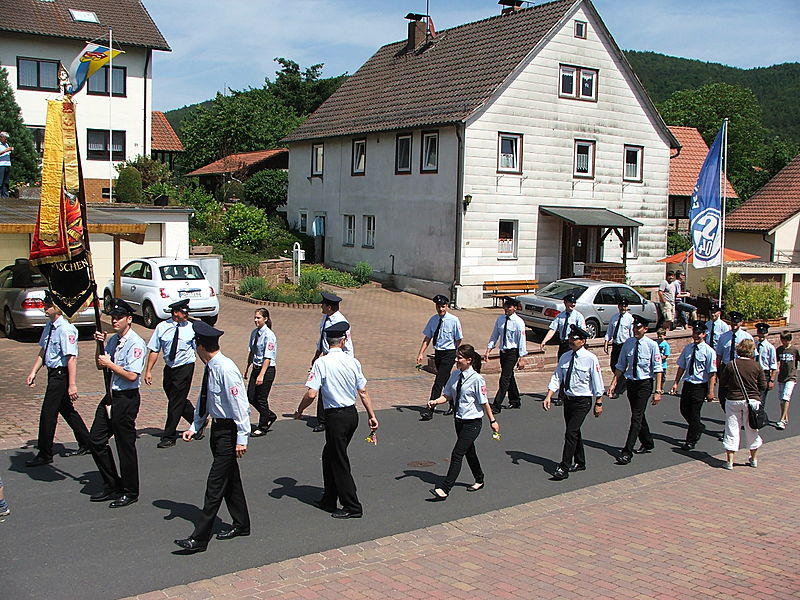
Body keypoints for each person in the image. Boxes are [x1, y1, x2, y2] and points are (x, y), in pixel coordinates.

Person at [174, 321, 252, 553]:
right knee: (231, 481)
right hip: (217, 431)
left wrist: (242, 438)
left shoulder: (226, 369)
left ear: (200, 346)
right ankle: (242, 524)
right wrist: (195, 426)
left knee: (215, 484)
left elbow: (240, 406)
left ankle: (199, 539)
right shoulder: (211, 368)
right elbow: (205, 399)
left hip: (229, 432)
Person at [295, 321, 378, 518]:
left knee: (339, 460)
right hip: (351, 415)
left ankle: (352, 505)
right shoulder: (353, 362)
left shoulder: (321, 363)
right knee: (329, 455)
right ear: (343, 341)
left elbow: (312, 394)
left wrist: (299, 409)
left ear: (327, 341)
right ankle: (329, 499)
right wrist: (372, 415)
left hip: (336, 417)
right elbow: (363, 391)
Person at [89, 299, 147, 508]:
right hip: (111, 395)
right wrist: (99, 346)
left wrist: (110, 364)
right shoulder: (113, 340)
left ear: (129, 319)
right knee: (95, 440)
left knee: (125, 446)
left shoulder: (136, 343)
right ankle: (112, 483)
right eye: (113, 317)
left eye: (119, 317)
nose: (115, 321)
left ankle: (130, 491)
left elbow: (132, 375)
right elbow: (100, 365)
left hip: (126, 398)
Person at [24, 292, 91, 467]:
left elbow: (71, 358)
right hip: (52, 373)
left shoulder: (65, 329)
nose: (44, 307)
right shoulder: (50, 326)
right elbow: (43, 350)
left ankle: (45, 453)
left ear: (58, 308)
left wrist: (72, 384)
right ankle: (87, 442)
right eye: (45, 304)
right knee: (66, 410)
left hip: (61, 375)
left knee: (48, 413)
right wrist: (33, 372)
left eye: (48, 305)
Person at [428, 344, 499, 499]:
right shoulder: (455, 375)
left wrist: (492, 421)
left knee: (457, 453)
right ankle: (479, 478)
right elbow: (448, 395)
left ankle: (445, 489)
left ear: (469, 360)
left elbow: (484, 402)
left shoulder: (477, 379)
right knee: (469, 451)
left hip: (473, 423)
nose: (456, 360)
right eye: (456, 357)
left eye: (459, 358)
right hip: (459, 420)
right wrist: (435, 402)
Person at [543, 325, 605, 480]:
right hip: (568, 400)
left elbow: (597, 381)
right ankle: (580, 461)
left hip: (582, 401)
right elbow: (557, 377)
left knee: (570, 432)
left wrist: (599, 402)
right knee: (574, 431)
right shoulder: (565, 356)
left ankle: (563, 467)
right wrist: (549, 395)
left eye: (574, 339)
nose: (571, 341)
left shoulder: (590, 359)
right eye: (570, 338)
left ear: (583, 341)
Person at [144, 299, 203, 448]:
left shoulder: (192, 327)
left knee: (175, 402)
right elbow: (155, 349)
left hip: (185, 367)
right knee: (176, 398)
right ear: (175, 313)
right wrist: (148, 370)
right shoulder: (162, 327)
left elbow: (200, 349)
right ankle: (197, 421)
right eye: (184, 312)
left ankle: (169, 436)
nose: (187, 314)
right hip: (170, 367)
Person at [607, 314, 663, 464]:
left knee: (636, 417)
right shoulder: (628, 343)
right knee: (638, 414)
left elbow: (658, 369)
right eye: (634, 327)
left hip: (645, 384)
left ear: (645, 329)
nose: (635, 330)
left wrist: (658, 391)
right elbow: (621, 365)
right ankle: (648, 441)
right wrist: (613, 384)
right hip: (631, 383)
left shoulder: (652, 345)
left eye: (638, 328)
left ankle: (627, 451)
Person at [717, 339, 766, 469]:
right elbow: (763, 385)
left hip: (733, 399)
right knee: (752, 429)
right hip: (752, 400)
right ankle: (753, 459)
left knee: (731, 429)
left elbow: (723, 382)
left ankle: (730, 461)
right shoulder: (756, 366)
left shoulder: (731, 365)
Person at [669, 321, 717, 450]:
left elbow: (712, 373)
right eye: (694, 333)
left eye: (698, 333)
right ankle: (698, 427)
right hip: (688, 383)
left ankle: (690, 440)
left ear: (704, 334)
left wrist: (710, 391)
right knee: (684, 410)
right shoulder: (688, 348)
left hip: (700, 385)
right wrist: (676, 382)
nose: (696, 335)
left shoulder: (709, 351)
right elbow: (682, 366)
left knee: (695, 412)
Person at [310, 292, 354, 433]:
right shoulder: (325, 318)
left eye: (323, 305)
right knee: (322, 386)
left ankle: (331, 417)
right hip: (326, 357)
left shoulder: (341, 322)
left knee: (331, 387)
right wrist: (316, 356)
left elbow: (348, 345)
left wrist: (347, 363)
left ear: (329, 307)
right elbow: (322, 339)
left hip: (338, 359)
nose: (321, 307)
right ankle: (322, 420)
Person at [417, 295, 463, 421]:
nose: (440, 309)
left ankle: (430, 409)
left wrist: (456, 354)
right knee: (446, 381)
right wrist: (421, 353)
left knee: (438, 382)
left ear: (447, 306)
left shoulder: (454, 320)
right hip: (438, 352)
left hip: (449, 353)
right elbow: (427, 338)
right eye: (438, 307)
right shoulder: (433, 320)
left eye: (443, 306)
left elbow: (459, 339)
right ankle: (454, 404)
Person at [485, 296, 527, 413]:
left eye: (509, 307)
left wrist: (522, 358)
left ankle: (497, 405)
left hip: (512, 353)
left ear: (515, 308)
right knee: (509, 376)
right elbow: (495, 335)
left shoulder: (518, 322)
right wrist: (489, 350)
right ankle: (515, 400)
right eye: (505, 306)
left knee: (504, 378)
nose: (507, 309)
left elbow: (522, 341)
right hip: (503, 352)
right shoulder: (500, 319)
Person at [244, 307, 278, 436]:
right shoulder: (254, 333)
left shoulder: (269, 335)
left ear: (265, 319)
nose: (255, 320)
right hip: (256, 367)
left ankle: (263, 426)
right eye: (255, 317)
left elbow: (268, 357)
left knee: (261, 399)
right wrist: (247, 368)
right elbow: (252, 351)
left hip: (266, 370)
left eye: (258, 318)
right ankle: (269, 415)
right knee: (251, 396)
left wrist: (261, 375)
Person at [540, 293, 586, 358]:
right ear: (565, 303)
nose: (573, 304)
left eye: (574, 303)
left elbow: (582, 332)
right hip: (562, 344)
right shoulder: (560, 316)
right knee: (561, 361)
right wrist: (544, 341)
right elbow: (552, 329)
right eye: (571, 302)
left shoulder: (578, 316)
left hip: (573, 344)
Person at [604, 298, 634, 399]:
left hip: (625, 345)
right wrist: (606, 342)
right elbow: (610, 331)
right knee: (613, 365)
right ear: (618, 306)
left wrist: (631, 346)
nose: (623, 308)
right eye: (621, 306)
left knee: (621, 367)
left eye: (625, 306)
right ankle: (624, 381)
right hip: (616, 344)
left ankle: (618, 390)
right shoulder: (614, 317)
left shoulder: (630, 319)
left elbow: (631, 334)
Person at [775, 331, 799, 430]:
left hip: (791, 377)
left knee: (786, 397)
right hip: (781, 377)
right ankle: (785, 416)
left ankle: (782, 420)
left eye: (785, 340)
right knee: (781, 399)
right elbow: (775, 361)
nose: (784, 342)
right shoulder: (779, 350)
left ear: (789, 340)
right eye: (782, 340)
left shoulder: (794, 350)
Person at [754, 323, 778, 415]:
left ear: (767, 334)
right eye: (760, 333)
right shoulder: (755, 345)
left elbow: (774, 366)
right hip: (754, 373)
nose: (761, 336)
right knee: (753, 397)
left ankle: (759, 418)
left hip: (764, 374)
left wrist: (771, 380)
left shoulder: (770, 347)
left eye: (763, 334)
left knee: (761, 398)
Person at [0, 131, 12, 198]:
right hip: (1, 165)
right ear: (1, 138)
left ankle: (5, 196)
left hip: (7, 164)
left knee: (6, 182)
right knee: (0, 181)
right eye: (5, 138)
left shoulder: (6, 145)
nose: (6, 140)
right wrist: (6, 150)